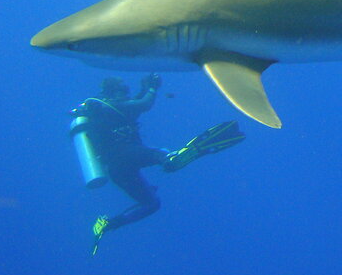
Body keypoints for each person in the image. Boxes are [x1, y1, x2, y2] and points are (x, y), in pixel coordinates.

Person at [74, 75, 245, 255]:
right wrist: (152, 88)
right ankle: (170, 160)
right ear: (113, 92)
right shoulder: (107, 106)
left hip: (116, 170)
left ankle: (108, 224)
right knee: (160, 154)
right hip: (126, 154)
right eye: (123, 91)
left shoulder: (106, 111)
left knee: (152, 203)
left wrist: (144, 88)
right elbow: (143, 105)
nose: (126, 94)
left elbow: (133, 108)